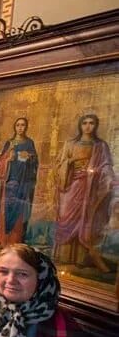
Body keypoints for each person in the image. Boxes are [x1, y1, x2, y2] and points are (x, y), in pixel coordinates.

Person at [54, 114, 114, 272]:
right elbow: (59, 164)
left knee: (86, 219)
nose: (88, 126)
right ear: (80, 125)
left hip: (90, 188)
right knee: (67, 218)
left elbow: (106, 165)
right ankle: (65, 257)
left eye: (91, 123)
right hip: (71, 187)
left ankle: (82, 259)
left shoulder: (101, 146)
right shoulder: (70, 144)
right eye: (85, 123)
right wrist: (71, 162)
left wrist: (106, 176)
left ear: (96, 125)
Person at [0, 117, 39, 246]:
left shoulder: (29, 143)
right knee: (6, 209)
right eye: (18, 125)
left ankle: (15, 242)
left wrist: (29, 157)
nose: (20, 128)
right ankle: (4, 241)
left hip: (23, 183)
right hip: (9, 181)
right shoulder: (9, 143)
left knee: (19, 212)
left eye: (23, 125)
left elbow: (35, 162)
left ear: (26, 127)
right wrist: (8, 159)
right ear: (15, 127)